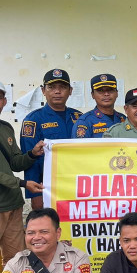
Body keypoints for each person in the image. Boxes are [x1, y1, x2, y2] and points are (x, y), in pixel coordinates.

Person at [0, 80, 45, 273]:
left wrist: (32, 153)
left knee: (16, 260)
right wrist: (23, 183)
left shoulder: (6, 128)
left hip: (13, 205)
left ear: (5, 101)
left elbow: (15, 162)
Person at [20, 69, 81, 210]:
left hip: (75, 186)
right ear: (43, 90)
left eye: (63, 87)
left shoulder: (79, 118)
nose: (57, 91)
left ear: (70, 90)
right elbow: (29, 161)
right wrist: (35, 195)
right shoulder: (33, 120)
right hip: (47, 189)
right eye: (52, 87)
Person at [72, 74, 125, 138]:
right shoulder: (84, 122)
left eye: (110, 90)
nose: (106, 94)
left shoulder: (123, 119)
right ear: (92, 95)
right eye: (100, 91)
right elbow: (79, 147)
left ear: (117, 93)